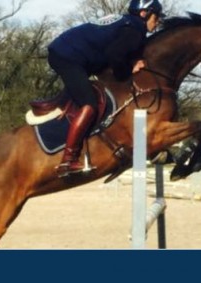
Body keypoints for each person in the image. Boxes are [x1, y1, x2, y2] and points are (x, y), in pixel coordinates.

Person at [48, 0, 164, 177]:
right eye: (156, 16)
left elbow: (113, 55)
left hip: (70, 53)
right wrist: (128, 70)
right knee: (89, 104)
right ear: (144, 13)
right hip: (67, 57)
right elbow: (114, 55)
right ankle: (68, 160)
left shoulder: (128, 23)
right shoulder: (135, 30)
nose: (157, 21)